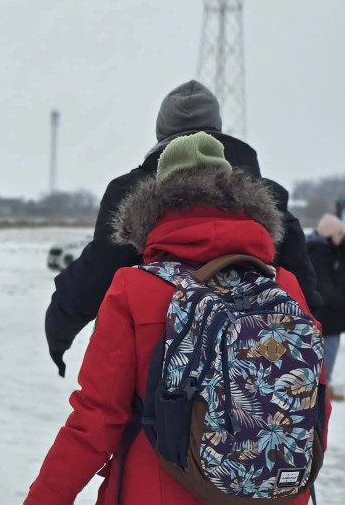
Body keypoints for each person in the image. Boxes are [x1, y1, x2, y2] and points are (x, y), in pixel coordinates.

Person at [19, 134, 322, 505]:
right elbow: (313, 412)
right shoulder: (284, 289)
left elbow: (96, 419)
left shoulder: (134, 288)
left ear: (155, 206)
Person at [46, 79, 319, 380]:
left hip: (157, 374)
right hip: (255, 382)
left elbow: (96, 273)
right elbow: (305, 299)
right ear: (217, 128)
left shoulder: (131, 195)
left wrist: (59, 333)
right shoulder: (270, 201)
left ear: (160, 134)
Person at [307, 213, 345, 396]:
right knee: (324, 360)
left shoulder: (329, 250)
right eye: (340, 234)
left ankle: (323, 390)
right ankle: (322, 393)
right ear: (331, 235)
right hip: (326, 318)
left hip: (330, 318)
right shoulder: (318, 253)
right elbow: (325, 289)